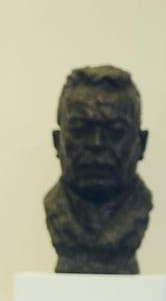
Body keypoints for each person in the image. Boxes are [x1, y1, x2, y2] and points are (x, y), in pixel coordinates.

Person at [46, 65, 150, 274]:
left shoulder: (139, 207)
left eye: (116, 132)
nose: (96, 144)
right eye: (80, 129)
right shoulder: (55, 208)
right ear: (58, 142)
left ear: (141, 144)